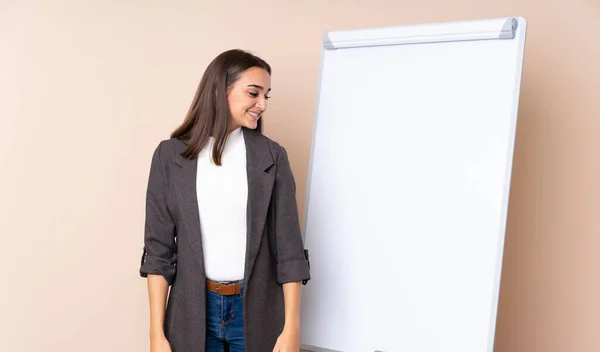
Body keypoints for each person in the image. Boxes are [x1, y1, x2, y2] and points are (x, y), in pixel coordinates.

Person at [139, 49, 311, 352]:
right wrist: (157, 333)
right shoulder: (169, 157)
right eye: (254, 93)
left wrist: (291, 328)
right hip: (192, 313)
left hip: (257, 312)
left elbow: (289, 251)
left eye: (266, 96)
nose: (262, 104)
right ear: (221, 90)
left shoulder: (271, 156)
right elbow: (158, 252)